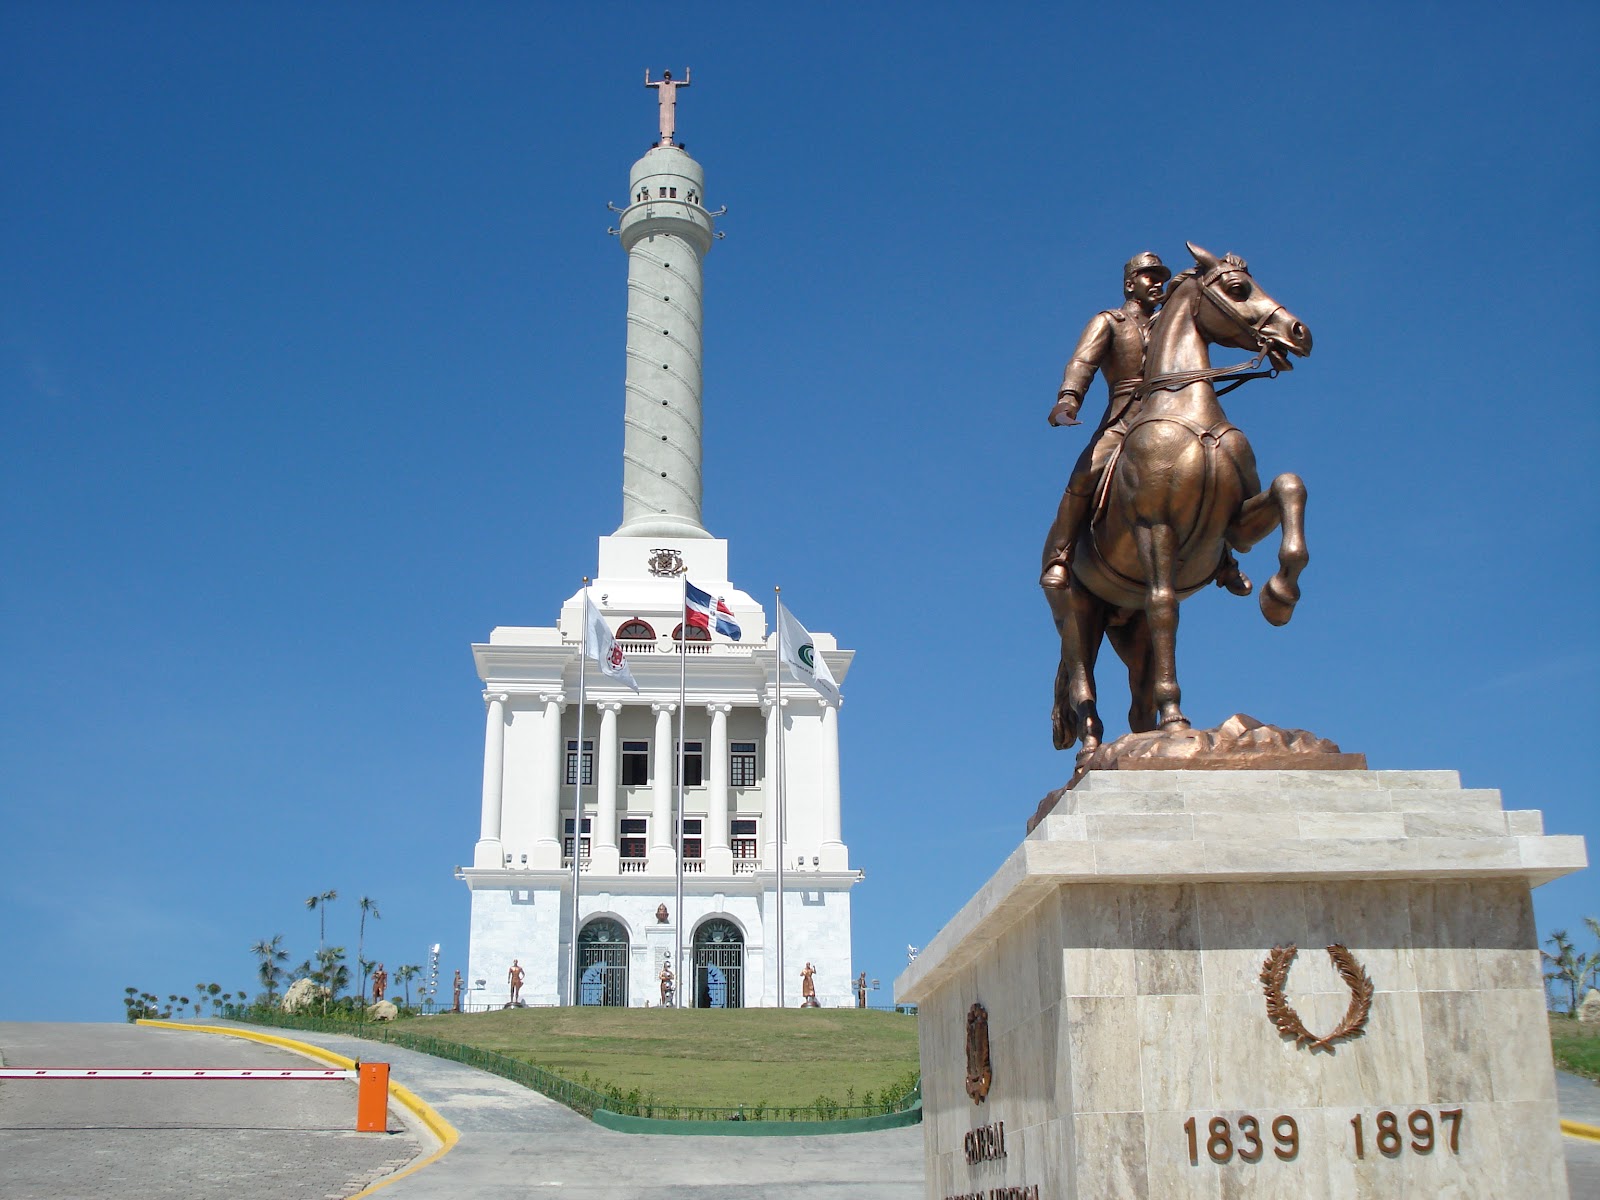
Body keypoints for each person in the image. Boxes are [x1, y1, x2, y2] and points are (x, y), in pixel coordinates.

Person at [1041, 252, 1250, 595]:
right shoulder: (1110, 322)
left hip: (1172, 415)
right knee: (1085, 474)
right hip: (1124, 420)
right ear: (1129, 284)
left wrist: (1225, 268)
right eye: (1149, 277)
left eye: (1161, 278)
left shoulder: (1170, 321)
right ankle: (1060, 555)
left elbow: (1206, 298)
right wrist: (1069, 398)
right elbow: (1083, 362)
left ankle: (1225, 561)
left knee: (1208, 471)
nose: (1157, 283)